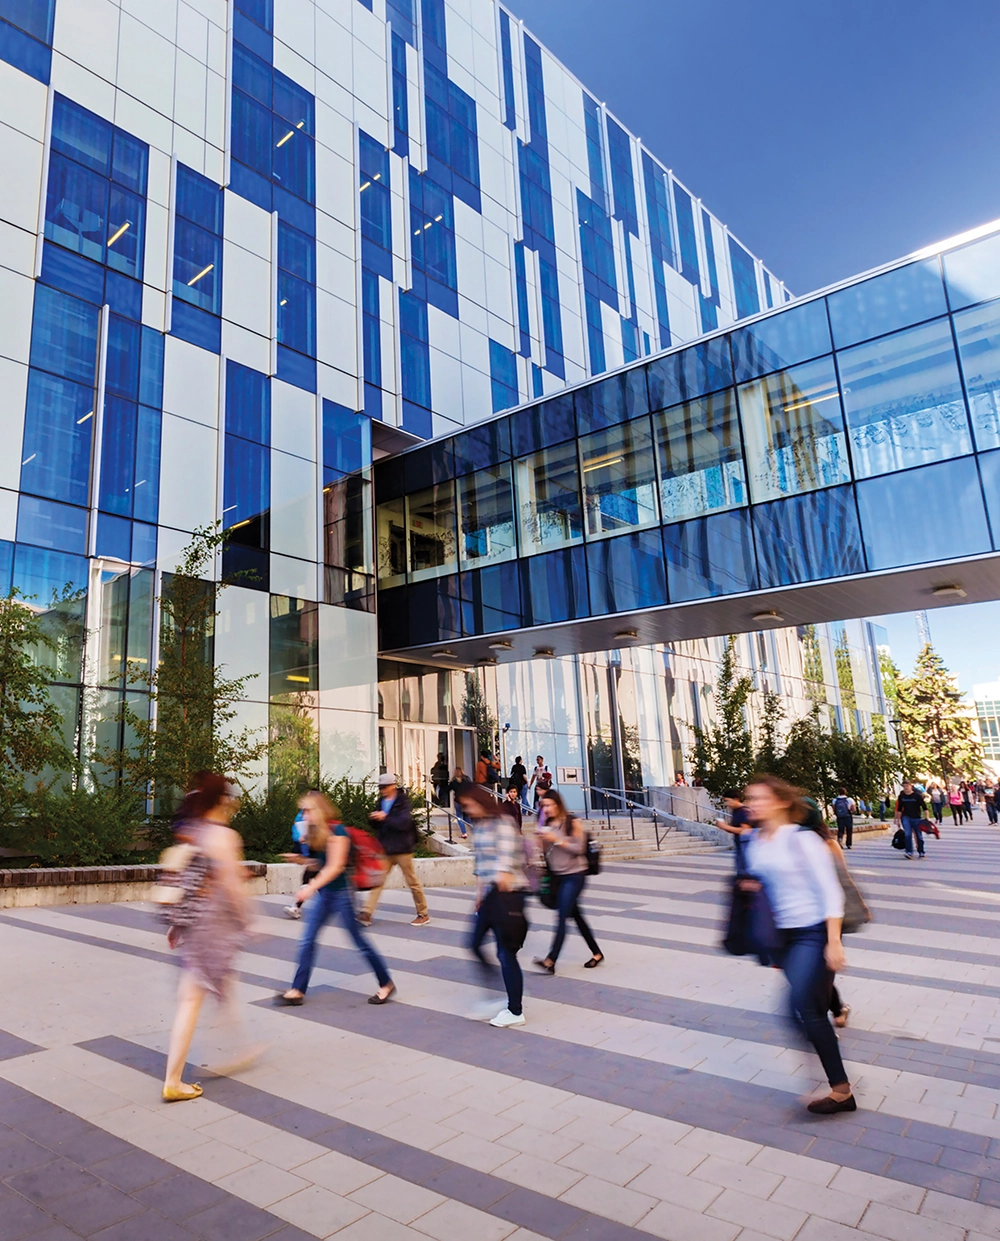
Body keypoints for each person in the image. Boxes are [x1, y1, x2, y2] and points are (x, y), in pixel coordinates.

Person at [742, 775, 854, 1114]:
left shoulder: (802, 840)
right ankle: (828, 1065)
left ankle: (840, 1090)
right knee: (800, 1014)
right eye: (749, 799)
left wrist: (834, 941)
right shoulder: (755, 842)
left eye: (758, 798)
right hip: (781, 937)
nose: (751, 804)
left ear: (780, 802)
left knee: (800, 1006)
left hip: (812, 932)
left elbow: (830, 890)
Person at [162, 773, 252, 1102]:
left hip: (196, 924)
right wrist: (248, 919)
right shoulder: (223, 836)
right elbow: (231, 884)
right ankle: (173, 1079)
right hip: (215, 926)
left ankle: (237, 1049)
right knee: (195, 997)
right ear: (222, 801)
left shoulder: (195, 833)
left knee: (204, 992)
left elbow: (187, 882)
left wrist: (177, 925)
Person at [276, 792, 394, 1007]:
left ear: (319, 810)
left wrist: (309, 887)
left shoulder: (337, 831)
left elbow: (335, 866)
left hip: (342, 894)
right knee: (307, 939)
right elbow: (321, 865)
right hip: (326, 895)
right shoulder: (317, 833)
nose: (304, 815)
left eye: (308, 810)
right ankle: (297, 990)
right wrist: (301, 859)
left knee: (359, 941)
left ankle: (386, 983)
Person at [459, 782, 529, 1027]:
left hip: (508, 894)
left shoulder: (503, 824)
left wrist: (496, 889)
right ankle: (498, 995)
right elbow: (480, 865)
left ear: (480, 801)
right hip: (490, 895)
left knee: (505, 953)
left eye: (468, 805)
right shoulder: (480, 827)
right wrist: (479, 896)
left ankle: (515, 1009)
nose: (467, 811)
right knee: (474, 944)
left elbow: (506, 862)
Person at [533, 789, 603, 973]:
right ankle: (597, 953)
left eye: (549, 805)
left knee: (562, 915)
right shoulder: (546, 825)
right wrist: (540, 842)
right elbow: (547, 855)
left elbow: (578, 848)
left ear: (558, 804)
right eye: (543, 806)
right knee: (577, 917)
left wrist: (556, 839)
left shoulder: (573, 822)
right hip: (557, 877)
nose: (546, 809)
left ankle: (551, 960)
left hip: (575, 875)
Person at [359, 774, 429, 926]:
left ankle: (423, 913)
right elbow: (378, 825)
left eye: (384, 787)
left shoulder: (402, 802)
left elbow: (403, 823)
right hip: (387, 848)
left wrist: (385, 817)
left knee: (412, 881)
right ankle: (367, 912)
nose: (382, 790)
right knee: (378, 880)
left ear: (393, 786)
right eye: (380, 788)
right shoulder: (381, 802)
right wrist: (374, 819)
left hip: (403, 847)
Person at [283, 797, 325, 920]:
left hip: (325, 867)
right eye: (304, 812)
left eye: (308, 812)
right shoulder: (309, 829)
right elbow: (311, 854)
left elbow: (321, 857)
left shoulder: (324, 830)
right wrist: (297, 855)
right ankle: (296, 907)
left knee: (329, 892)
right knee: (307, 882)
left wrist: (301, 858)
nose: (304, 815)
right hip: (316, 864)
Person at [716, 788, 753, 871]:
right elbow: (735, 829)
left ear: (736, 799)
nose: (727, 804)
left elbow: (745, 830)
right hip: (739, 846)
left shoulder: (743, 811)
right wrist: (723, 826)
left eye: (728, 801)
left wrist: (726, 827)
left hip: (746, 847)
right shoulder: (735, 811)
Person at [896, 780, 927, 859]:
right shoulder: (902, 796)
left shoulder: (917, 796)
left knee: (918, 835)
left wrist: (927, 818)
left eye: (907, 786)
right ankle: (909, 852)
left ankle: (921, 852)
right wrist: (898, 820)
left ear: (911, 786)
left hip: (917, 817)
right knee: (907, 834)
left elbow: (924, 807)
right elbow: (899, 809)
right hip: (906, 817)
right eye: (904, 786)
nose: (906, 788)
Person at [448, 766, 470, 839]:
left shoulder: (454, 781)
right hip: (466, 800)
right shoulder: (467, 779)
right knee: (466, 816)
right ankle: (474, 829)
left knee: (459, 817)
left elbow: (448, 789)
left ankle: (464, 833)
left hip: (458, 801)